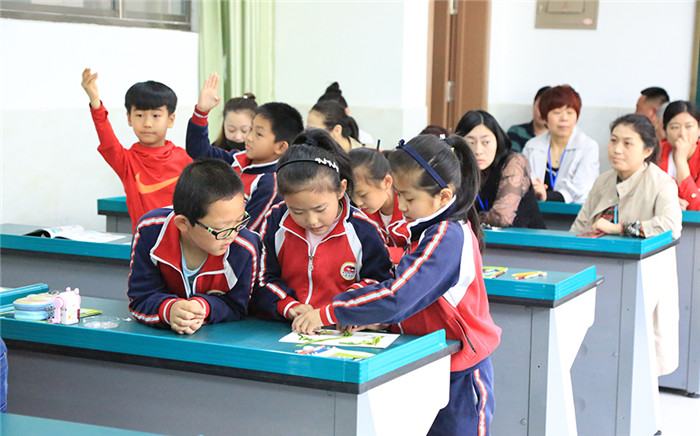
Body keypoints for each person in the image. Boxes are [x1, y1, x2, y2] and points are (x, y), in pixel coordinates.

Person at [292, 134, 501, 436]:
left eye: (410, 198)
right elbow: (416, 302)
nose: (401, 206)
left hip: (461, 373)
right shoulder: (429, 230)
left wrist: (328, 312)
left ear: (444, 196)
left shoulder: (446, 235)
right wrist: (375, 321)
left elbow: (399, 296)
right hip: (432, 362)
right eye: (399, 195)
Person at [570, 114, 682, 376]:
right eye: (613, 141)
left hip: (644, 279)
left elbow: (671, 226)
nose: (617, 149)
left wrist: (620, 228)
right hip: (601, 273)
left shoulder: (661, 183)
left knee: (640, 359)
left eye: (627, 143)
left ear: (648, 150)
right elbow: (578, 228)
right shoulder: (603, 181)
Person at [252, 129, 393, 321]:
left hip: (341, 326)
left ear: (341, 189)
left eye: (320, 209)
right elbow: (261, 278)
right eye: (297, 211)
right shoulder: (276, 220)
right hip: (285, 327)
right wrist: (288, 306)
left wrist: (347, 306)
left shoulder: (362, 229)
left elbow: (380, 281)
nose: (311, 220)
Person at [128, 159, 259, 335]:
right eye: (221, 229)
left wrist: (203, 307)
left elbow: (237, 306)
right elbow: (140, 296)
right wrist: (169, 310)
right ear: (183, 223)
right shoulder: (150, 231)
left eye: (239, 221)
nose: (233, 234)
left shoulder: (244, 248)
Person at [186, 73, 304, 233]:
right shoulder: (237, 159)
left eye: (258, 134)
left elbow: (247, 231)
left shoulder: (270, 184)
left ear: (280, 147)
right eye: (251, 129)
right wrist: (201, 112)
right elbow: (199, 152)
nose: (248, 138)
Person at [81, 68, 192, 231]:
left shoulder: (185, 159)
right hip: (144, 241)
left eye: (156, 116)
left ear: (170, 119)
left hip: (182, 241)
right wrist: (95, 102)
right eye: (139, 115)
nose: (147, 123)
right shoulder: (126, 162)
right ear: (129, 118)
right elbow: (108, 142)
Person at [457, 110, 545, 229]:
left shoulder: (514, 163)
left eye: (485, 142)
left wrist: (460, 222)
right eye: (470, 142)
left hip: (526, 238)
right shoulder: (460, 167)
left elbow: (501, 217)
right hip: (480, 237)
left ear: (498, 141)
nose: (478, 151)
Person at [522, 85, 599, 204]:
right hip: (536, 210)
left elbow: (582, 191)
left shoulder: (588, 147)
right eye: (557, 112)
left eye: (570, 112)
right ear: (545, 117)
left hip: (573, 213)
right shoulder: (532, 146)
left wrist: (546, 196)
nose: (564, 118)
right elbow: (524, 183)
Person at [349, 147, 410, 262]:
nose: (358, 203)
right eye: (352, 196)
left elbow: (421, 250)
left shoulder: (412, 209)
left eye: (363, 195)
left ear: (386, 182)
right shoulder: (360, 215)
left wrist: (382, 253)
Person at [657, 100, 700, 211]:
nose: (682, 133)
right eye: (675, 127)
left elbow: (697, 207)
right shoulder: (655, 152)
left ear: (699, 129)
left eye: (689, 126)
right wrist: (667, 202)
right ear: (665, 131)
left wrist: (681, 160)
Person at [507, 86, 551, 152]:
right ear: (533, 105)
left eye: (548, 108)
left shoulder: (559, 137)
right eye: (540, 106)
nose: (543, 112)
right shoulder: (516, 132)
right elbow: (513, 156)